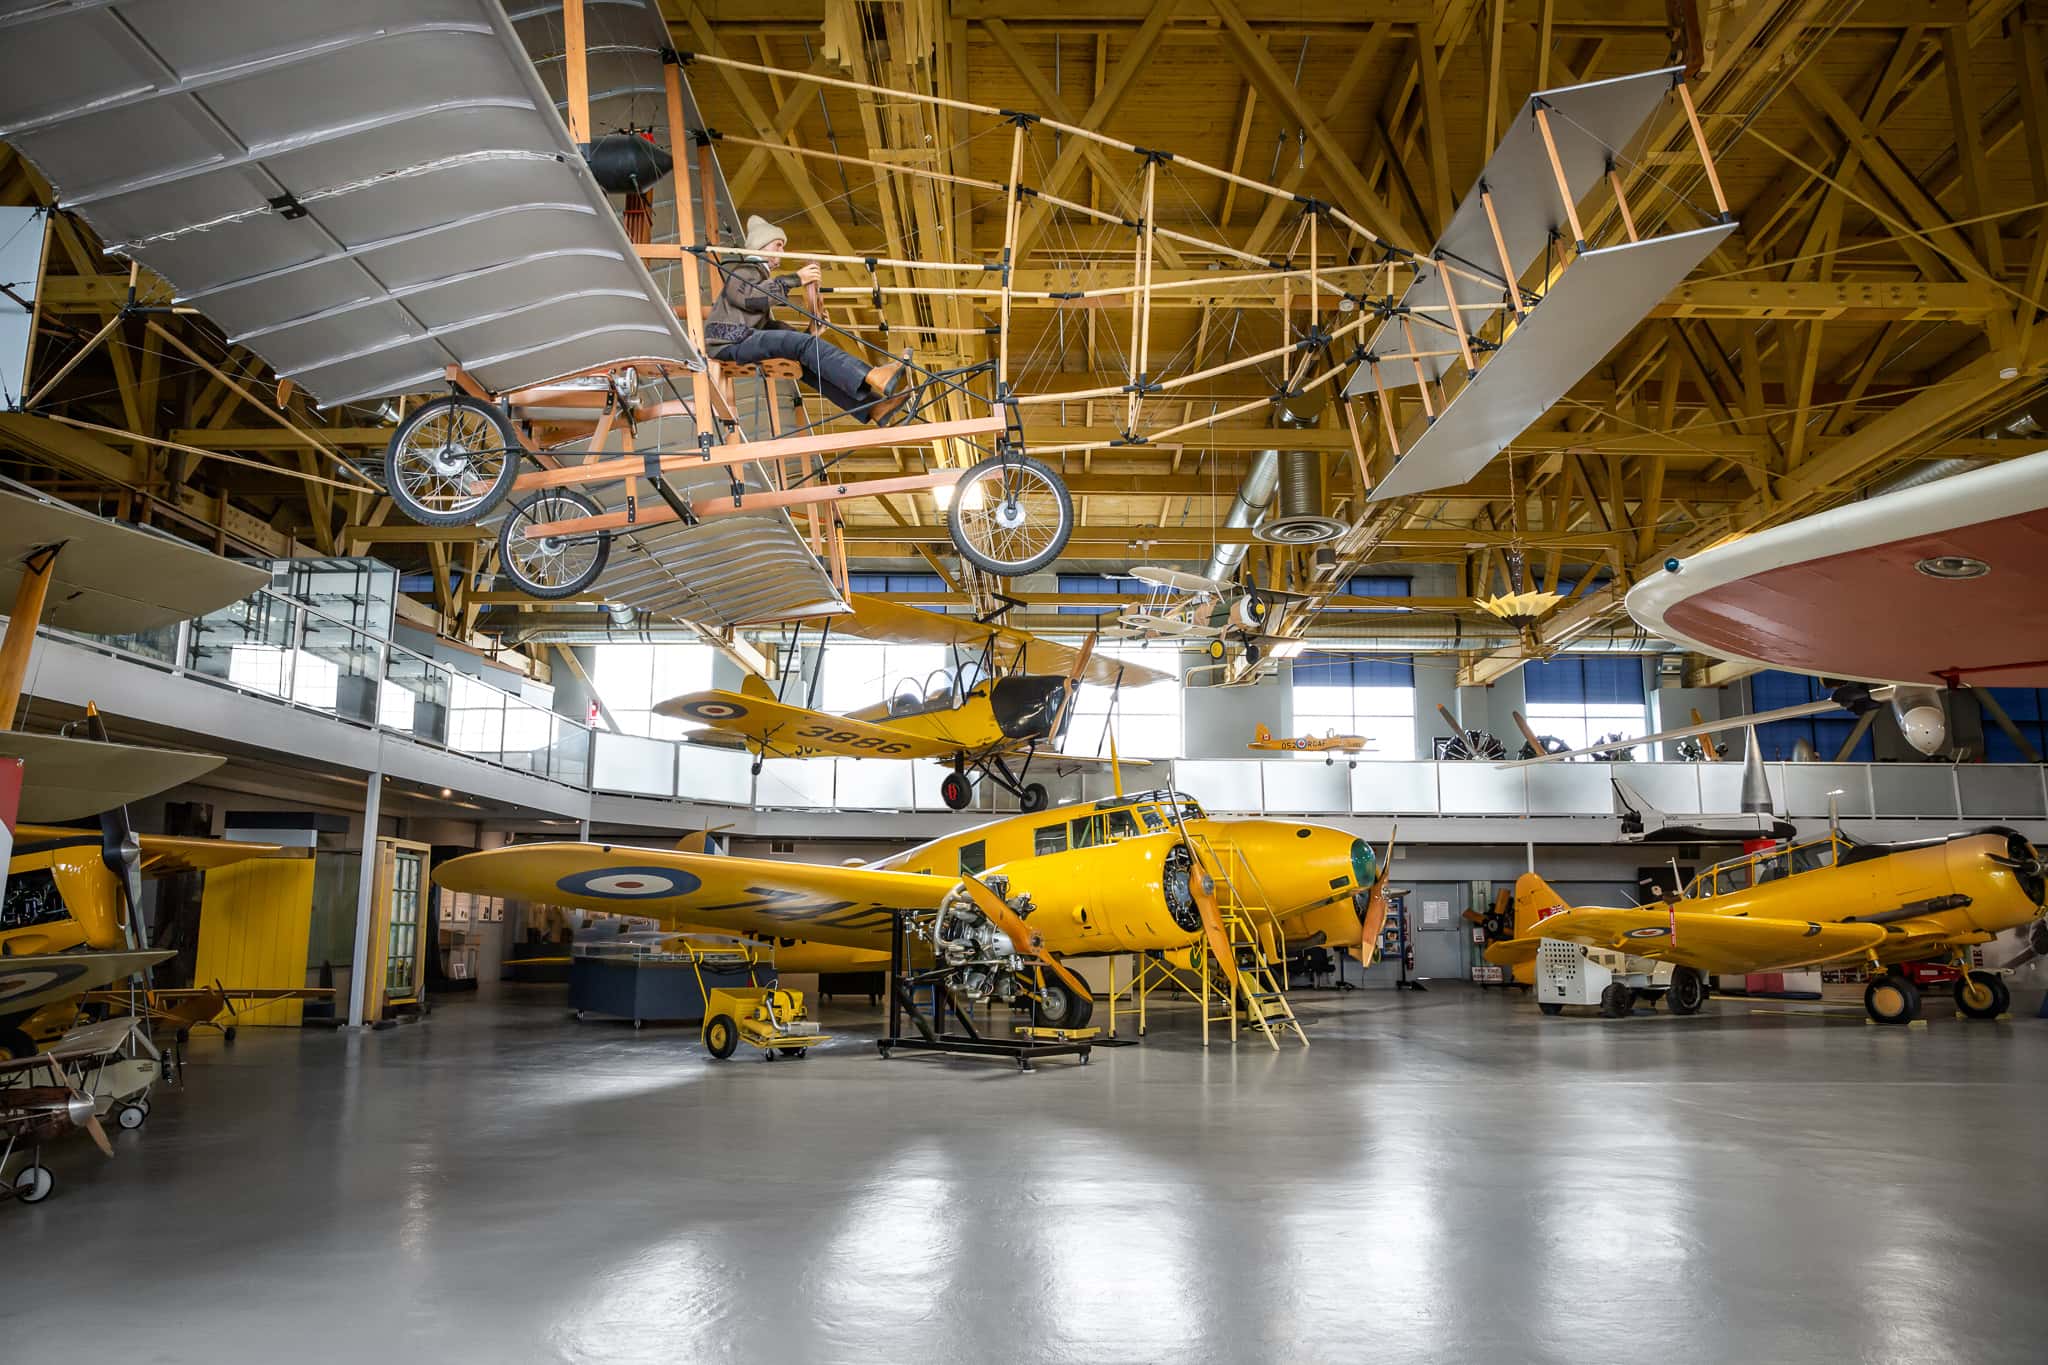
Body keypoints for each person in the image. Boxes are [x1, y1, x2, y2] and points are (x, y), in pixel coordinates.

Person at [702, 215, 912, 424]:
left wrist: (810, 333)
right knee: (804, 348)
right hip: (727, 341)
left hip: (740, 340)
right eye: (778, 245)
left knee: (806, 365)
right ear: (761, 247)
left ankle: (874, 407)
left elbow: (769, 328)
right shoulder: (743, 270)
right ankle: (874, 376)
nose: (782, 252)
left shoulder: (758, 277)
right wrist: (796, 279)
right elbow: (750, 297)